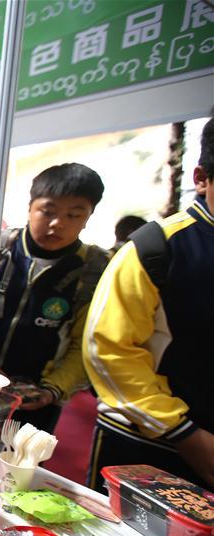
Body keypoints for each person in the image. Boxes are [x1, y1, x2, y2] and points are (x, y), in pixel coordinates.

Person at [84, 116, 214, 492]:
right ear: (201, 178)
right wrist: (185, 433)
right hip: (151, 442)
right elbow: (108, 349)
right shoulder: (157, 248)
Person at [0, 163, 109, 434]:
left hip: (39, 403)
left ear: (88, 217)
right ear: (30, 207)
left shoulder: (93, 272)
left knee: (20, 460)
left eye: (74, 214)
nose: (58, 223)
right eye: (48, 211)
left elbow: (86, 344)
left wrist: (53, 389)